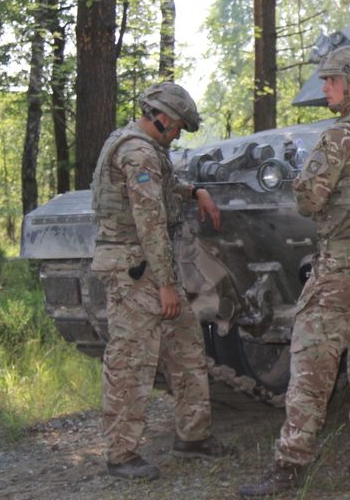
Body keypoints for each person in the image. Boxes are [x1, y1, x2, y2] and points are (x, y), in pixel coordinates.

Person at [240, 47, 350, 496]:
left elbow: (309, 199)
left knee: (311, 366)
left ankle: (288, 467)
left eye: (332, 80)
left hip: (339, 266)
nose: (325, 87)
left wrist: (302, 179)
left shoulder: (341, 136)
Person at [90, 81, 232, 479]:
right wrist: (167, 284)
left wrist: (196, 191)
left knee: (186, 345)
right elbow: (150, 223)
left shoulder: (137, 145)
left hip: (147, 265)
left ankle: (192, 435)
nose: (179, 135)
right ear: (163, 118)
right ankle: (121, 455)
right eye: (180, 128)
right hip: (135, 269)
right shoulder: (138, 153)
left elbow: (163, 189)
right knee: (130, 360)